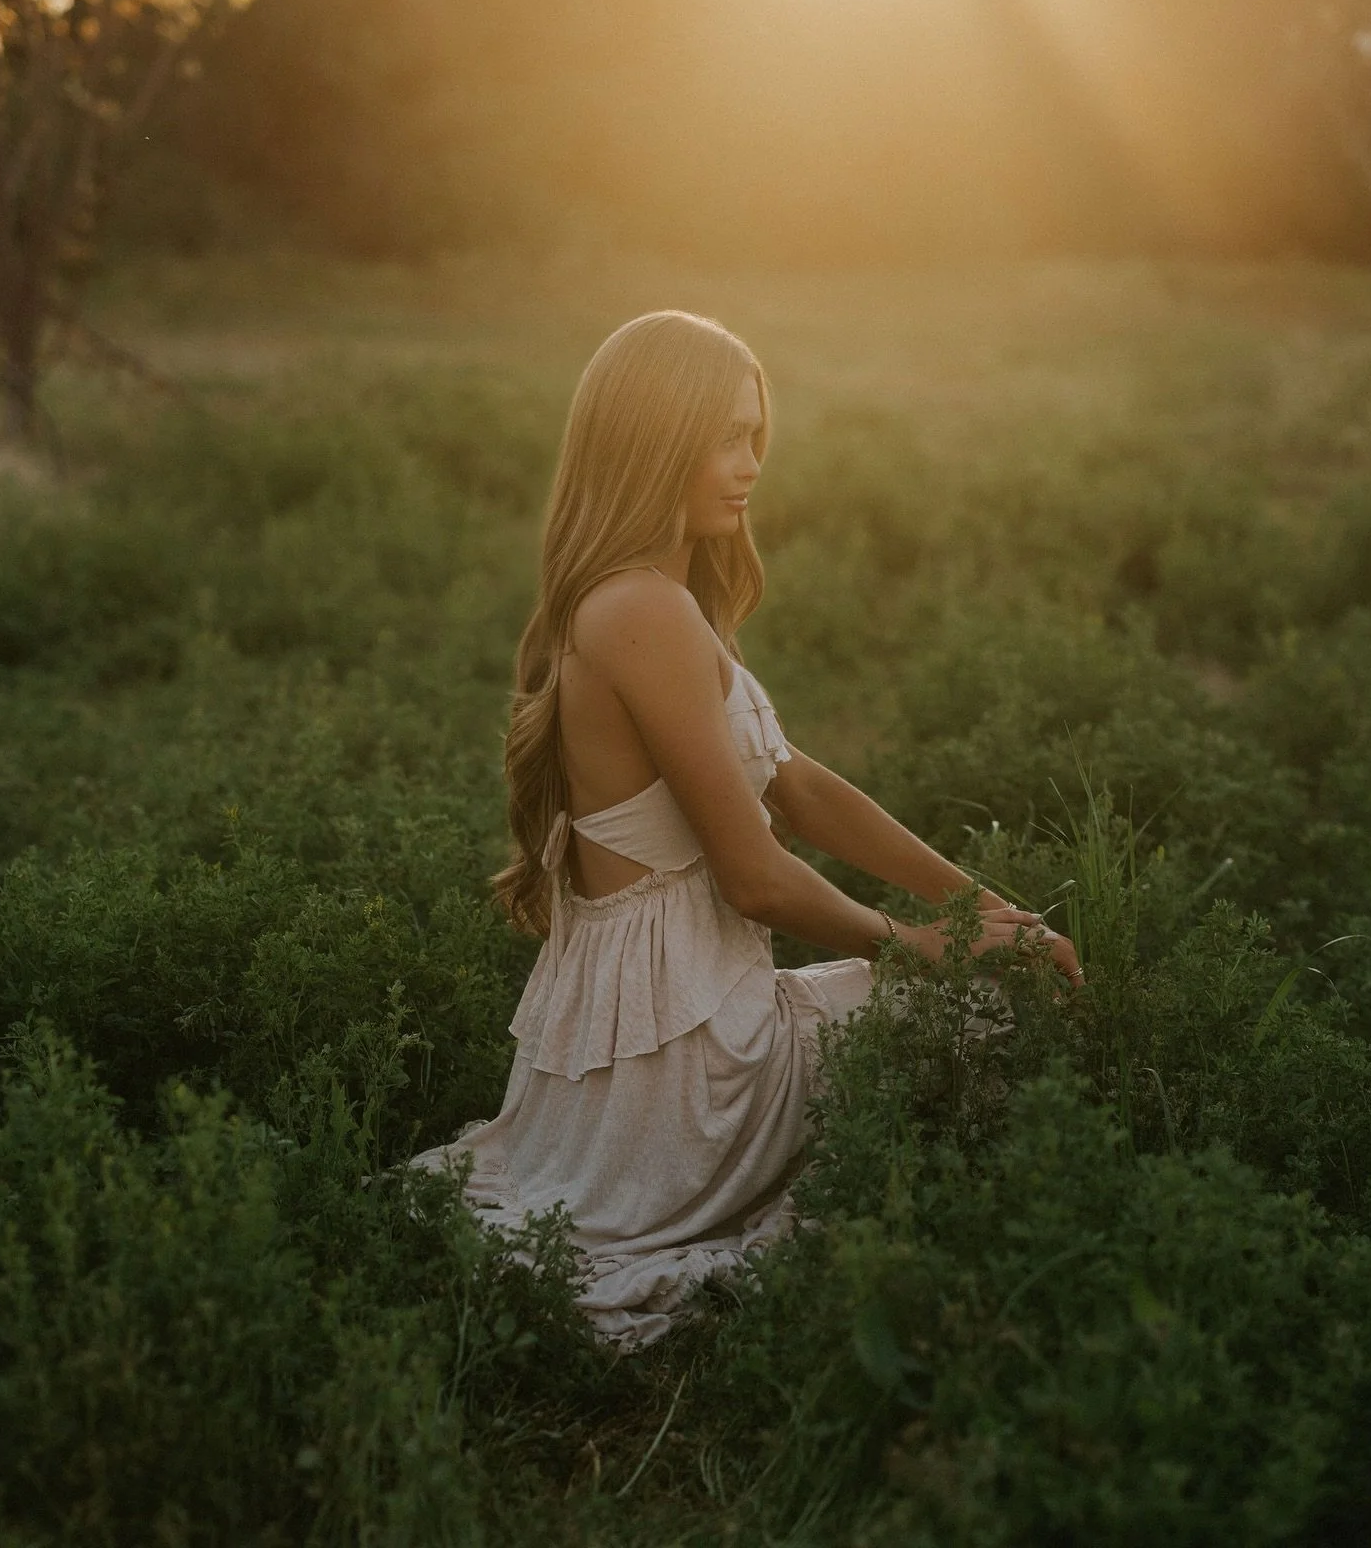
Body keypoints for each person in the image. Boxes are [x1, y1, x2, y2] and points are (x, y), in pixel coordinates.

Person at [410, 310, 1082, 1348]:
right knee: (994, 1010)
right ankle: (838, 1228)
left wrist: (975, 901)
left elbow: (799, 789)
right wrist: (935, 955)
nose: (750, 464)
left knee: (990, 973)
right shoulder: (640, 610)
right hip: (686, 1071)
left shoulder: (649, 599)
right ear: (656, 442)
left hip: (679, 1032)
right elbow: (757, 879)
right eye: (727, 436)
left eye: (756, 435)